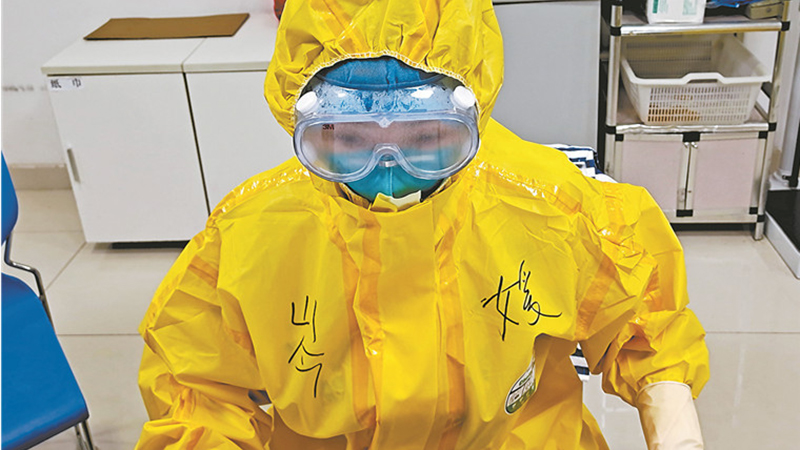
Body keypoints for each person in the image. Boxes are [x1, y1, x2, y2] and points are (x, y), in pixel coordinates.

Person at [135, 0, 709, 448]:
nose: (389, 174)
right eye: (350, 139)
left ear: (473, 112)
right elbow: (195, 387)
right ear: (302, 121)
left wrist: (674, 426)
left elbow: (645, 319)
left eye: (428, 137)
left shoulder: (550, 205)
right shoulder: (251, 233)